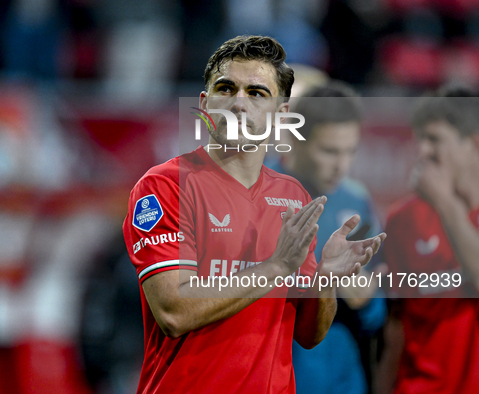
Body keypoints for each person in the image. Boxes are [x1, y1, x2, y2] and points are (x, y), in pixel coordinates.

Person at [123, 35, 385, 394]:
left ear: (281, 115)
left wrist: (325, 278)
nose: (238, 103)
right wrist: (276, 267)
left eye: (257, 93)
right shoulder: (166, 187)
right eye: (226, 88)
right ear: (204, 103)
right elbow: (174, 313)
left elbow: (310, 335)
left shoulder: (293, 197)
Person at [268, 81, 386, 394]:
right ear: (295, 141)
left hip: (342, 381)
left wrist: (366, 301)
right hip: (275, 378)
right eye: (329, 151)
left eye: (350, 151)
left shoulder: (356, 201)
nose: (342, 166)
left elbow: (375, 308)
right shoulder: (258, 191)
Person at [378, 87, 479, 394]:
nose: (422, 151)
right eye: (420, 138)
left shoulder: (445, 207)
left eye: (435, 139)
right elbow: (396, 325)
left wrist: (446, 204)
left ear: (472, 143)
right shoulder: (402, 220)